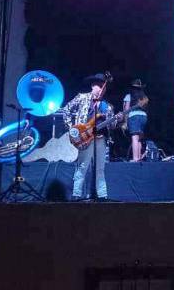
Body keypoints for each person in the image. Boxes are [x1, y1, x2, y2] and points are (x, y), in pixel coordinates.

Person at [60, 73, 112, 201]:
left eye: (103, 87)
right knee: (83, 166)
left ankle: (102, 195)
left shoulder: (107, 106)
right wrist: (72, 129)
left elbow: (112, 125)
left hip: (100, 138)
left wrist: (118, 119)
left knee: (100, 168)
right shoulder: (82, 98)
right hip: (85, 137)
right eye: (99, 86)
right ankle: (76, 194)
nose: (101, 89)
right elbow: (66, 110)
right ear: (92, 86)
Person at [123, 79, 149, 161]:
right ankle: (139, 157)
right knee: (139, 138)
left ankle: (135, 158)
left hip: (134, 116)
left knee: (134, 138)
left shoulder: (128, 96)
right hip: (143, 117)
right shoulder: (144, 97)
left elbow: (126, 109)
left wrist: (125, 122)